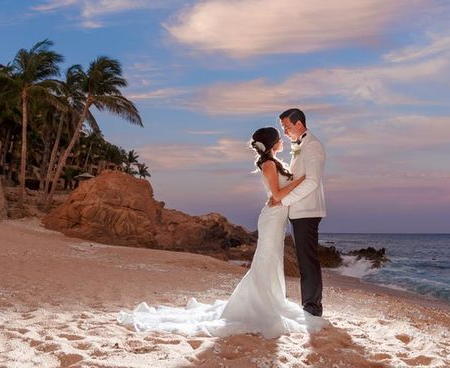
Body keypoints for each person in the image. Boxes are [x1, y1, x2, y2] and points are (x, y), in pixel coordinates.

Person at [118, 127, 326, 339]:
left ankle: (271, 300)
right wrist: (301, 180)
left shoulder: (274, 163)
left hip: (277, 218)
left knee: (271, 261)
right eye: (279, 138)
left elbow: (279, 194)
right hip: (272, 219)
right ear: (272, 143)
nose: (282, 140)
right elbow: (278, 194)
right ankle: (260, 304)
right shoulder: (269, 164)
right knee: (266, 260)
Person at [273, 108, 326, 317]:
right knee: (305, 260)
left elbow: (312, 182)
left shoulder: (312, 146)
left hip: (307, 211)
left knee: (307, 261)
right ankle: (309, 305)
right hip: (299, 211)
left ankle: (313, 308)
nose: (284, 132)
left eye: (286, 127)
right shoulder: (301, 145)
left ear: (298, 124)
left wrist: (283, 200)